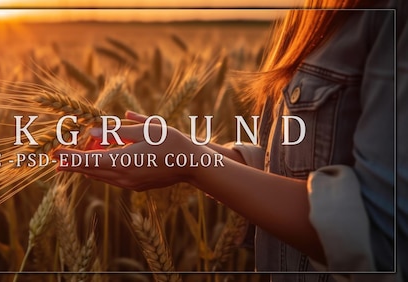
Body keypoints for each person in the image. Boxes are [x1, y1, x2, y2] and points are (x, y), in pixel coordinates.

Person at [53, 0, 407, 281]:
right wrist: (200, 154)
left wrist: (192, 164)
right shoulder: (310, 12)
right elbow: (299, 164)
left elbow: (379, 237)